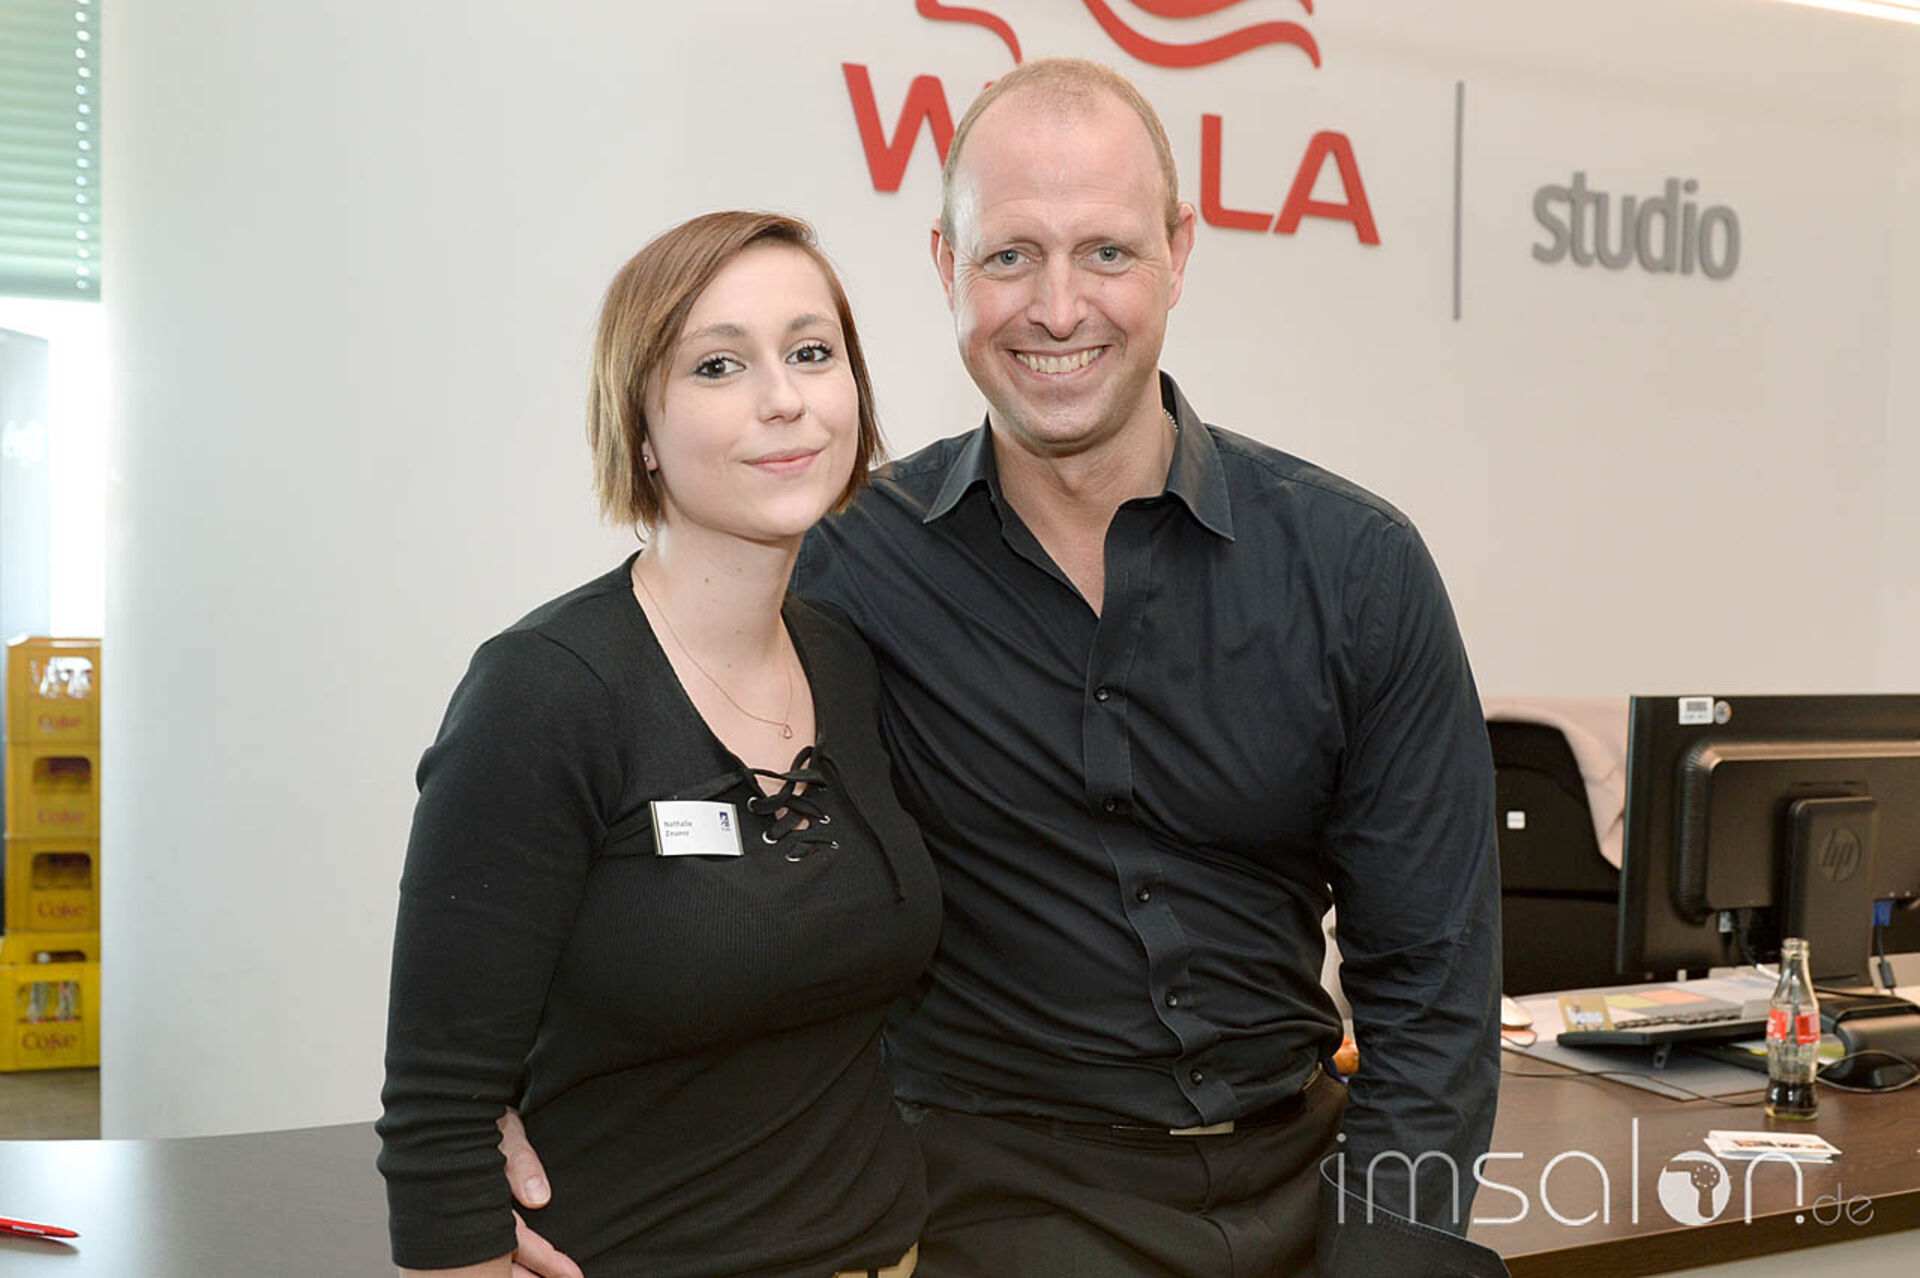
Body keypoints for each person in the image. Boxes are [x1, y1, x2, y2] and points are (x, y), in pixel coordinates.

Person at [505, 59, 1505, 1276]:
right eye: (1011, 256)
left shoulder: (1357, 569)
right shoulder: (842, 570)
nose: (1058, 307)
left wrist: (1393, 1254)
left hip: (1310, 1181)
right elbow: (607, 817)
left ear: (1180, 253)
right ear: (947, 267)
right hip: (991, 1211)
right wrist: (488, 1102)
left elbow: (1433, 991)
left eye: (1107, 253)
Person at [376, 211, 940, 1278]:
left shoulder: (847, 663)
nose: (783, 397)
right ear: (638, 427)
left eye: (812, 352)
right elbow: (438, 1109)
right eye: (718, 365)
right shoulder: (544, 692)